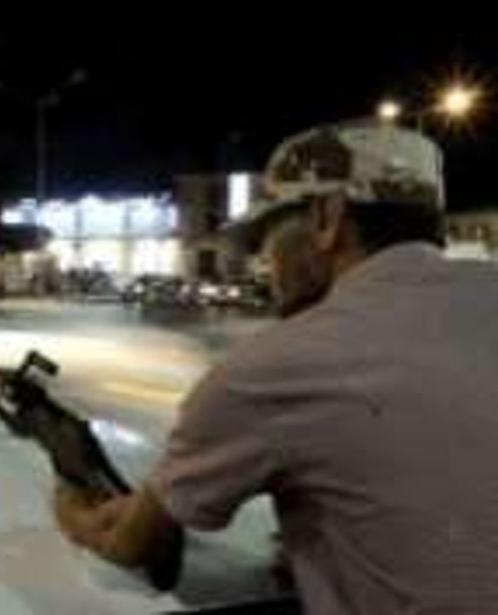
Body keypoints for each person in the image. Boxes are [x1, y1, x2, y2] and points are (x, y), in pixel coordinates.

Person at [52, 121, 498, 613]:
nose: (265, 264)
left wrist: (71, 514)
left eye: (266, 238)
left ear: (327, 219)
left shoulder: (275, 367)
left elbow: (129, 545)